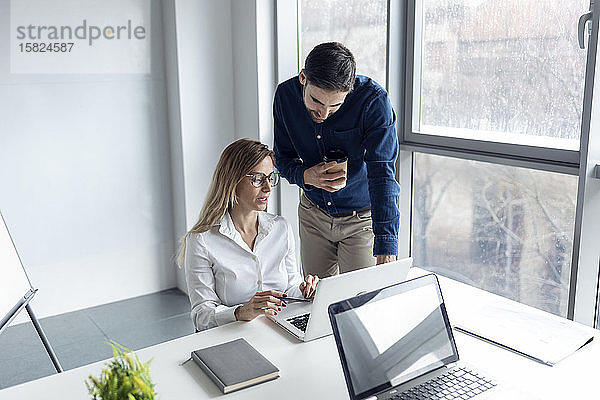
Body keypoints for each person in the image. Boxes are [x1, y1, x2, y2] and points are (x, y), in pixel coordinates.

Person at [273, 42, 400, 278]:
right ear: (303, 78)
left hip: (361, 221)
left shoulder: (373, 101)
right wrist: (305, 176)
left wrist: (386, 245)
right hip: (313, 215)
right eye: (317, 102)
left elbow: (382, 174)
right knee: (315, 299)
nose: (323, 114)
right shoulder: (285, 97)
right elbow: (282, 157)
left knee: (358, 302)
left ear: (349, 91)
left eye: (335, 106)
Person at [177, 139, 319, 332]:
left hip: (278, 329)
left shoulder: (281, 228)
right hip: (232, 336)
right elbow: (202, 317)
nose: (268, 188)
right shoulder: (202, 240)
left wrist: (305, 291)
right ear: (232, 181)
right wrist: (241, 312)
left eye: (270, 178)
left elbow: (290, 286)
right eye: (258, 179)